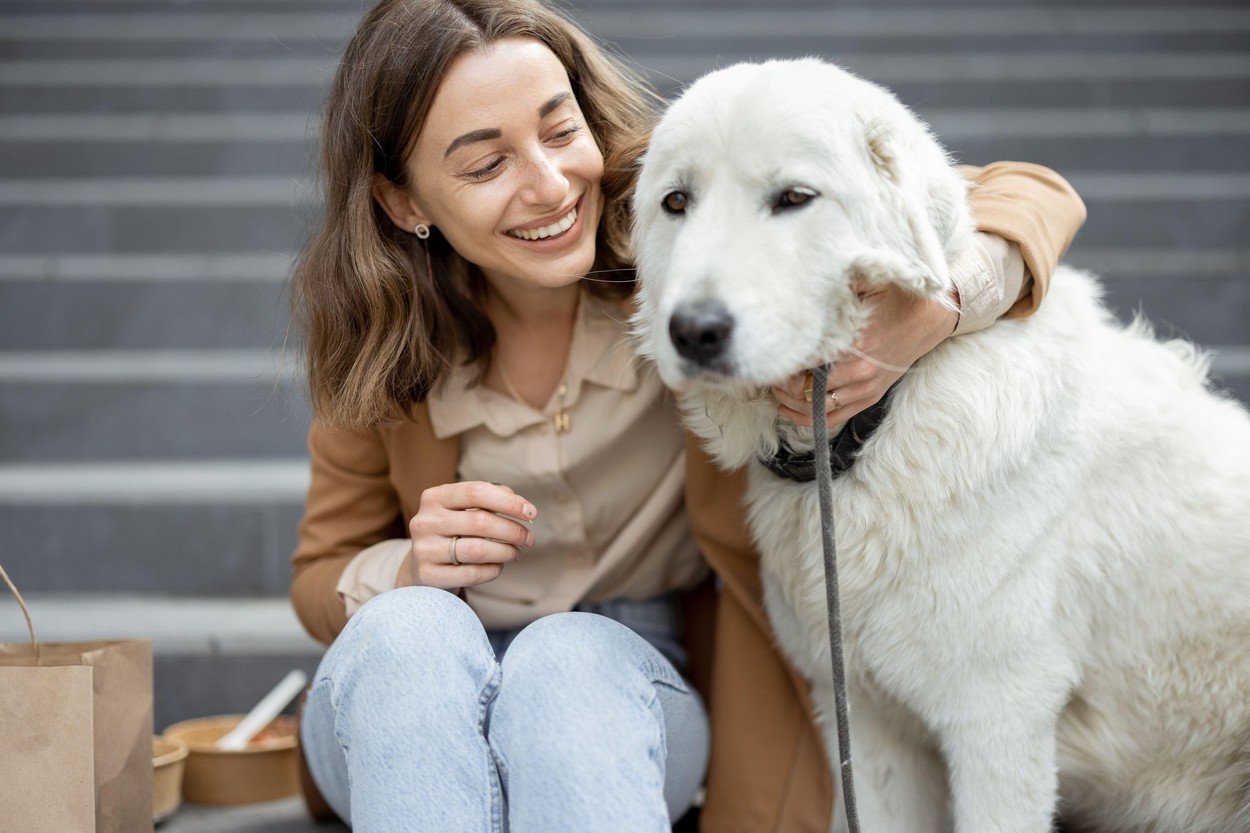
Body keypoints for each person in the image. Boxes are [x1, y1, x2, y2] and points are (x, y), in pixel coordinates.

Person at [287, 0, 1087, 831]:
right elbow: (319, 577)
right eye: (486, 166)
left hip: (619, 693)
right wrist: (409, 572)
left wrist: (939, 307)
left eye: (560, 132)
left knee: (570, 662)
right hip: (407, 706)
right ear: (404, 203)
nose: (552, 185)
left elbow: (1026, 193)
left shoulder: (687, 229)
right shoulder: (382, 341)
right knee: (406, 631)